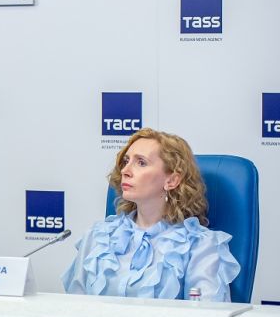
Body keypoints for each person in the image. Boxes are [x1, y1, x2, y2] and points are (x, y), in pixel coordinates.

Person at [62, 128, 240, 301]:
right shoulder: (97, 237)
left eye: (141, 162)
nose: (125, 171)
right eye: (126, 161)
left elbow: (206, 316)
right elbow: (74, 309)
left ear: (172, 180)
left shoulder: (200, 246)